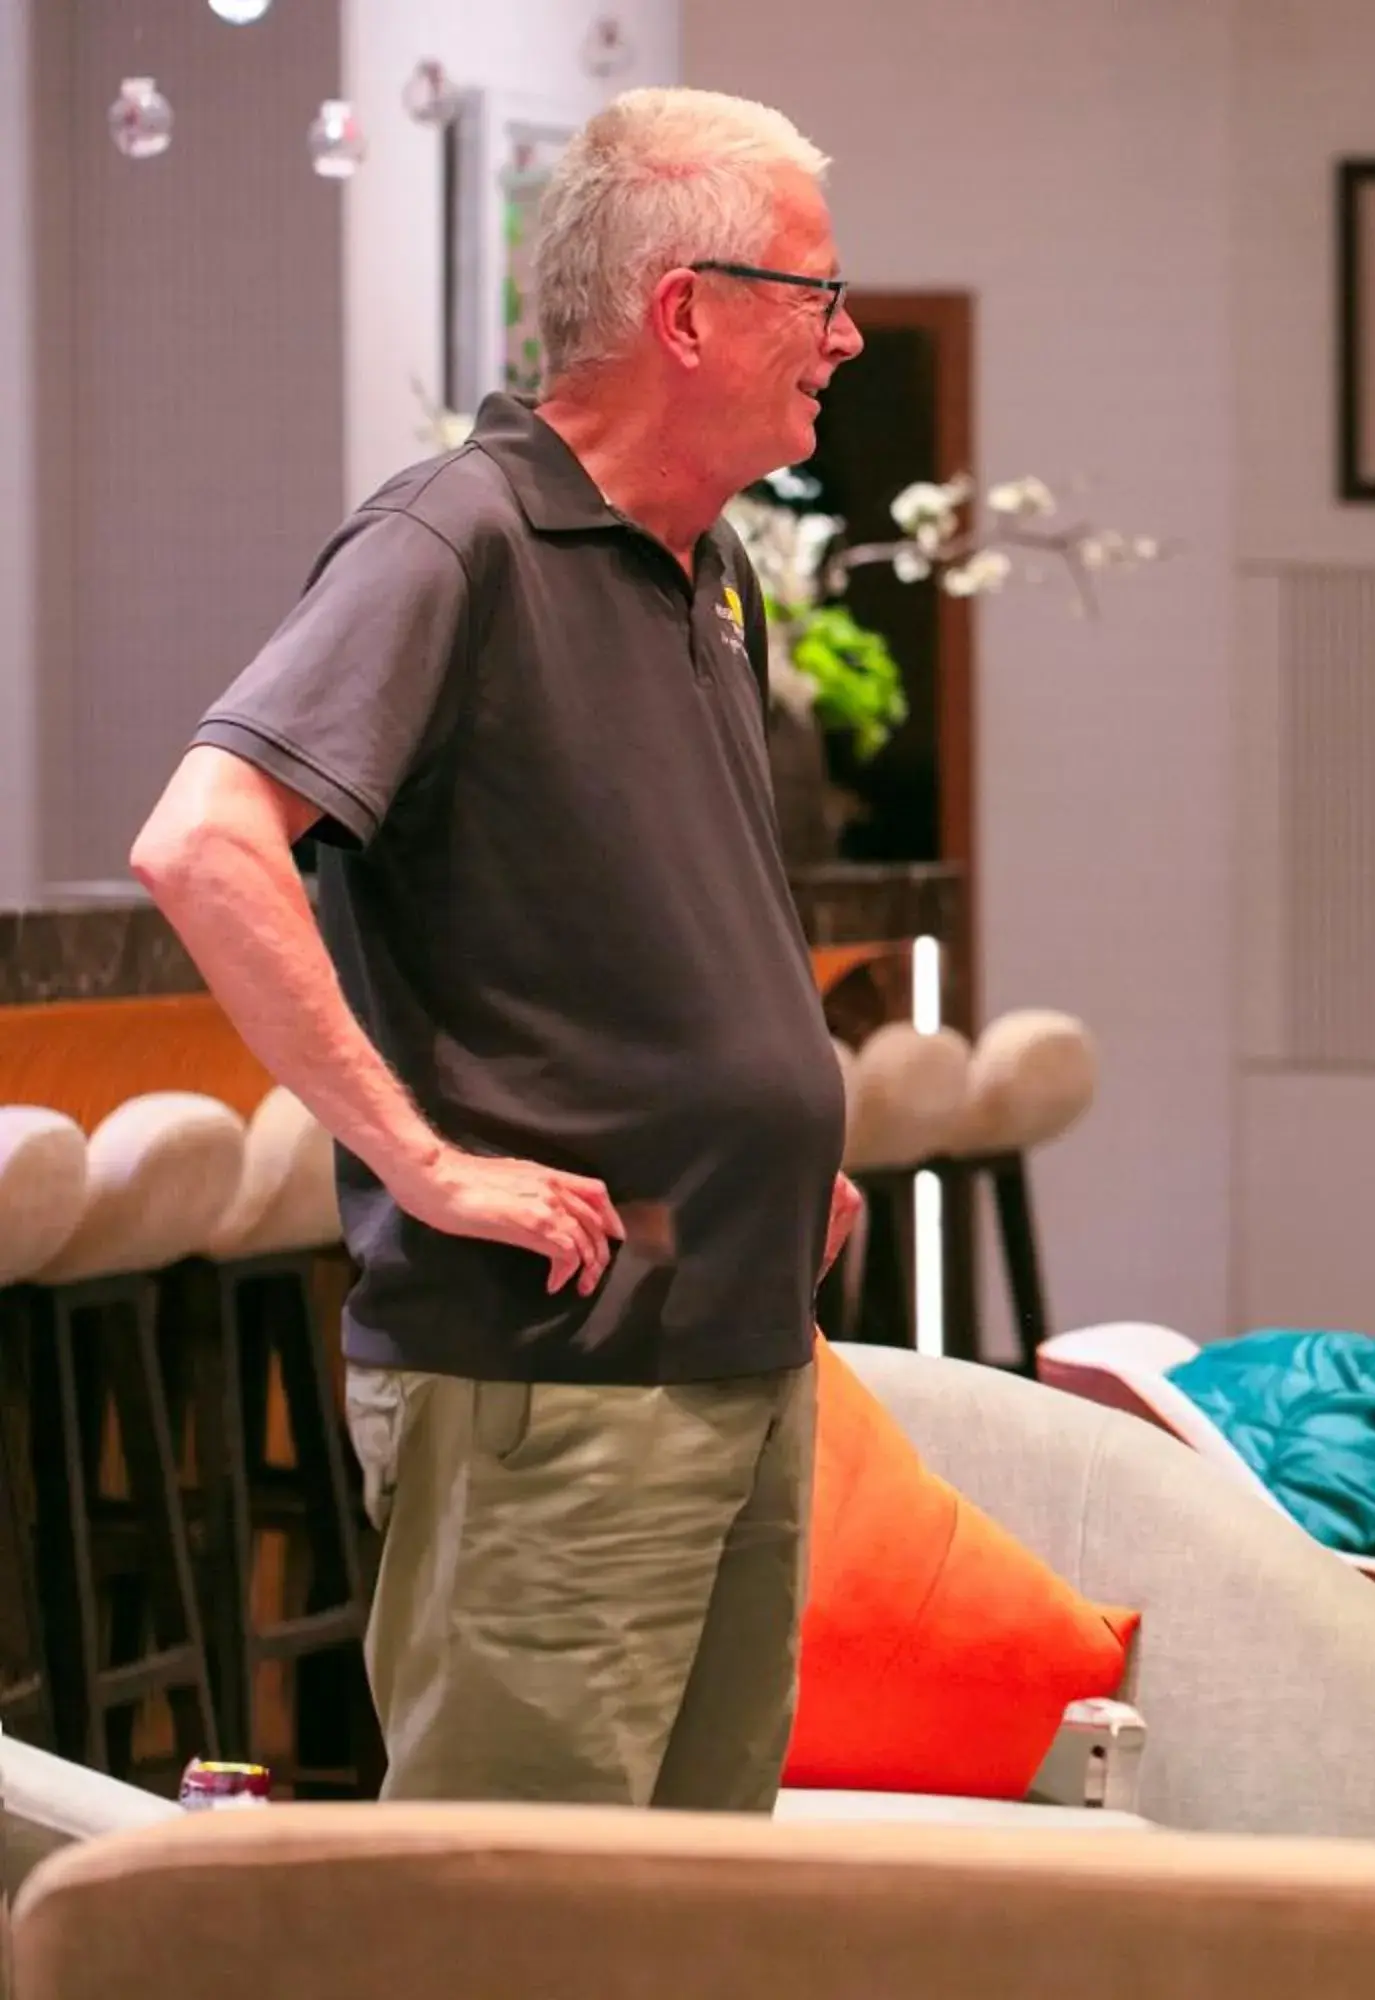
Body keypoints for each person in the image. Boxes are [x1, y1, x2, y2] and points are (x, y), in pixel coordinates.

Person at [128, 87, 867, 1810]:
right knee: (509, 1937)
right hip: (557, 1379)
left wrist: (776, 1143)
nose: (842, 334)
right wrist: (424, 1160)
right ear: (687, 310)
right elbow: (202, 842)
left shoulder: (712, 572)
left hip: (731, 1338)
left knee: (688, 1927)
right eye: (812, 292)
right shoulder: (452, 537)